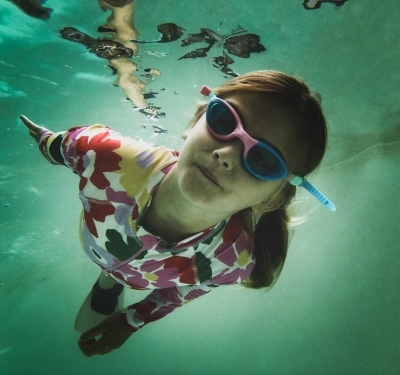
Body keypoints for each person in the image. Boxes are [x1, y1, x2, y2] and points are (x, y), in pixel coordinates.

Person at [20, 70, 334, 357]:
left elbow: (178, 294)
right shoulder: (106, 154)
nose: (225, 155)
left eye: (264, 161)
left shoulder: (232, 261)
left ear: (271, 199)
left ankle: (111, 278)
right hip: (119, 261)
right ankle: (110, 277)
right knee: (113, 270)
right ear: (197, 119)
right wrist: (45, 140)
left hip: (134, 273)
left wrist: (131, 321)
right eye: (224, 121)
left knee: (116, 273)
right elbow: (66, 145)